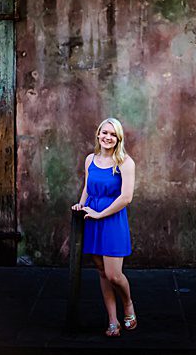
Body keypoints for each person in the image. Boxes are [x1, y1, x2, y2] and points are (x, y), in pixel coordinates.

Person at [71, 117, 137, 337]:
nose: (108, 137)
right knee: (101, 271)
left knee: (113, 275)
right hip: (92, 218)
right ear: (98, 134)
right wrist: (82, 204)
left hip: (111, 220)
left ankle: (128, 304)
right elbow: (88, 188)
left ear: (119, 138)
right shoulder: (90, 159)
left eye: (113, 134)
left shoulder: (125, 162)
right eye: (104, 133)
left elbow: (126, 197)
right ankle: (112, 320)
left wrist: (100, 214)